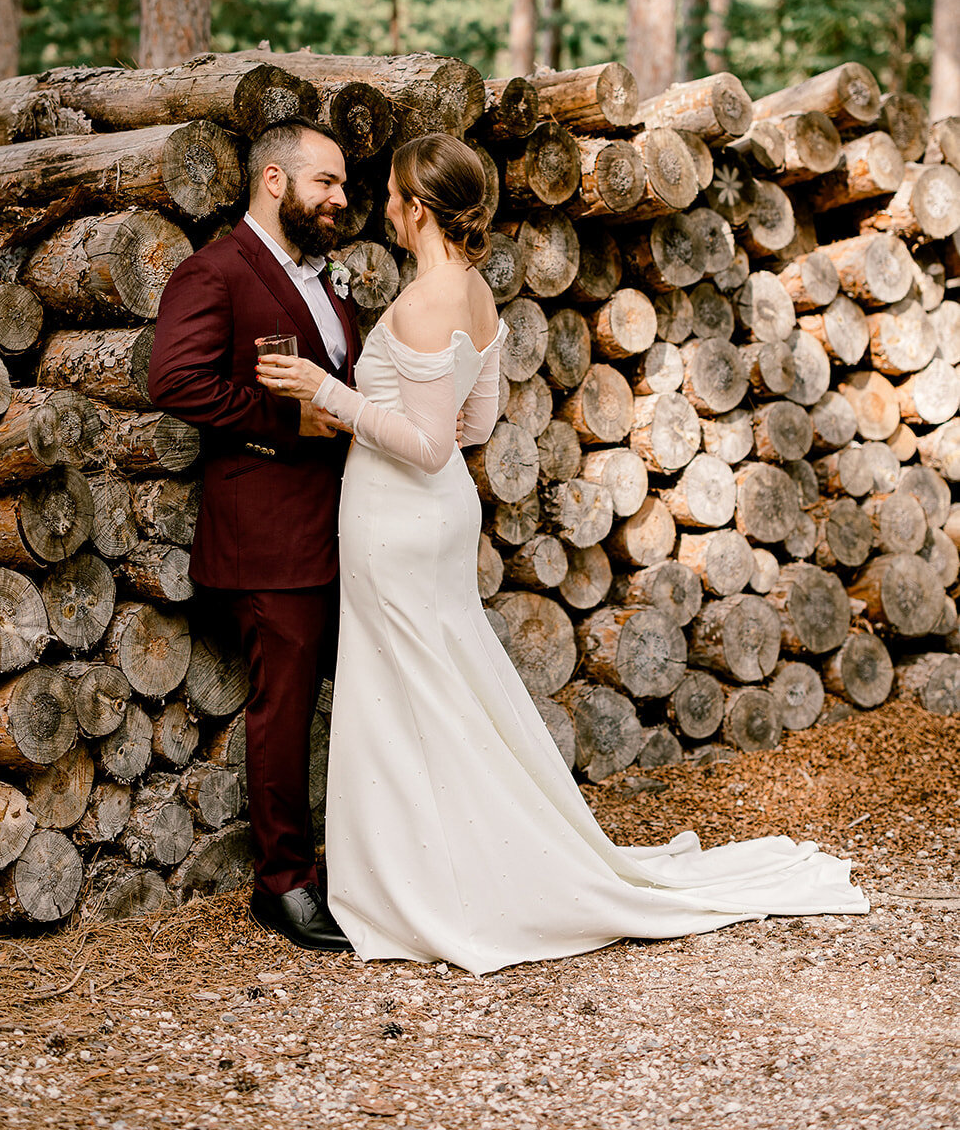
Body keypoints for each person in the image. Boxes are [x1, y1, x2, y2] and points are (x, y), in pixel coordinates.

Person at [257, 132, 869, 977]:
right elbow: (473, 426)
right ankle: (451, 857)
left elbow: (433, 444)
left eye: (396, 193)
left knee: (408, 692)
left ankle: (426, 879)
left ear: (419, 206)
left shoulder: (425, 300)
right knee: (441, 683)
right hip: (430, 519)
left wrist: (325, 393)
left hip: (399, 514)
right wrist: (370, 403)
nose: (386, 206)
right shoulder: (471, 294)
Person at [148, 117, 359, 952]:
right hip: (269, 532)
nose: (341, 198)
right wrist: (284, 424)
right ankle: (284, 884)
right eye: (327, 183)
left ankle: (373, 863)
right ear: (274, 180)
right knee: (285, 709)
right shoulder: (216, 270)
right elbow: (176, 380)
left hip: (349, 522)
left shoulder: (327, 276)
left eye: (341, 184)